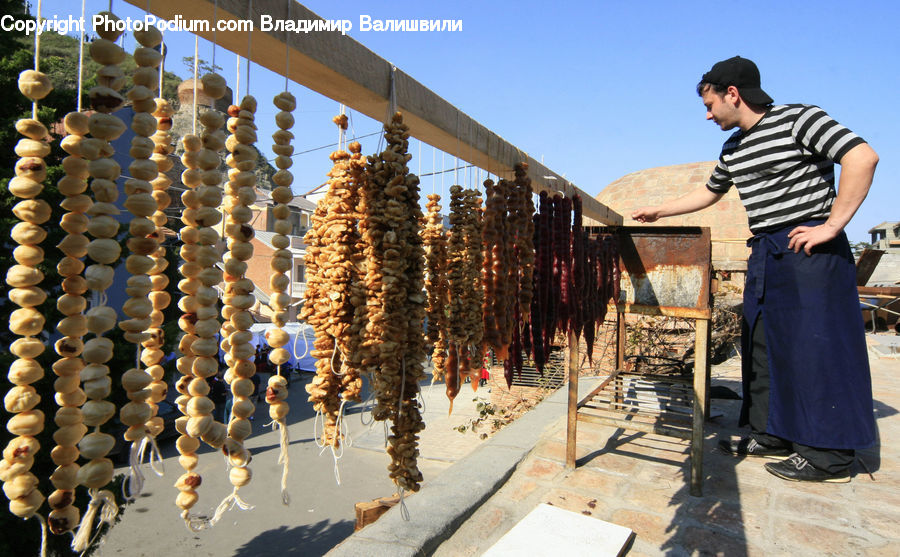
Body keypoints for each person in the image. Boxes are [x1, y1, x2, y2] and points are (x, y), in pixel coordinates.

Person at [632, 56, 879, 483]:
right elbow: (709, 193)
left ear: (733, 93)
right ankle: (775, 432)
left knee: (814, 346)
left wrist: (833, 225)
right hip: (766, 250)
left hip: (809, 249)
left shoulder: (799, 119)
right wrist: (659, 209)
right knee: (762, 343)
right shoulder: (733, 147)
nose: (707, 115)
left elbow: (862, 156)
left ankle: (829, 452)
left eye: (710, 105)